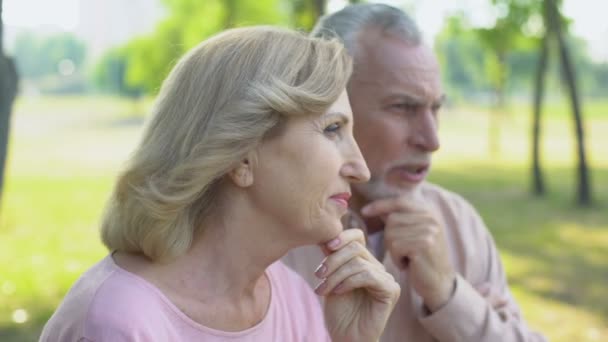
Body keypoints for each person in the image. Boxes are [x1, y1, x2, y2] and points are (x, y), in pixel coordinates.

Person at [40, 26, 401, 342]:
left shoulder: (295, 299)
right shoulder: (119, 325)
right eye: (333, 129)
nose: (361, 169)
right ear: (241, 155)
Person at [282, 4, 546, 341]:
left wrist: (448, 293)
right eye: (403, 107)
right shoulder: (274, 237)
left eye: (436, 107)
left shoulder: (458, 224)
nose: (432, 140)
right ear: (329, 108)